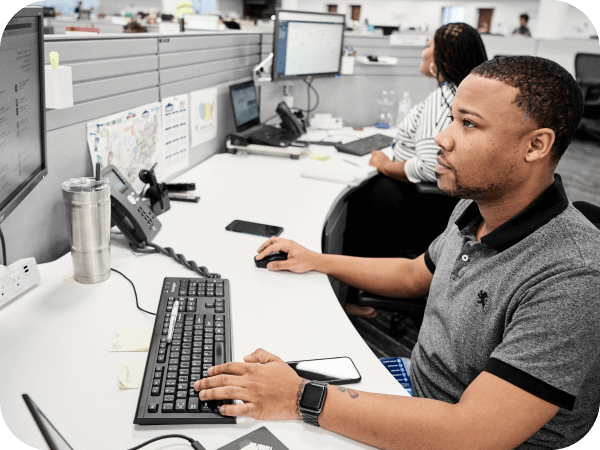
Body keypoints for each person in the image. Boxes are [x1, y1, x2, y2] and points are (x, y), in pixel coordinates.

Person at [196, 56, 600, 449]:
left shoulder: (574, 277)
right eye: (452, 117)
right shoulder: (476, 207)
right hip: (418, 392)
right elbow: (413, 275)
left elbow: (471, 434)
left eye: (469, 124)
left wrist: (299, 396)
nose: (442, 138)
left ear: (536, 146)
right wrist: (318, 260)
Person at [343, 22, 487, 317]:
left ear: (440, 60)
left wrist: (384, 164)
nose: (422, 53)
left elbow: (426, 167)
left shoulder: (443, 98)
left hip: (422, 204)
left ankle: (355, 294)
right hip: (447, 206)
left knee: (356, 199)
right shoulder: (469, 95)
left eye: (427, 45)